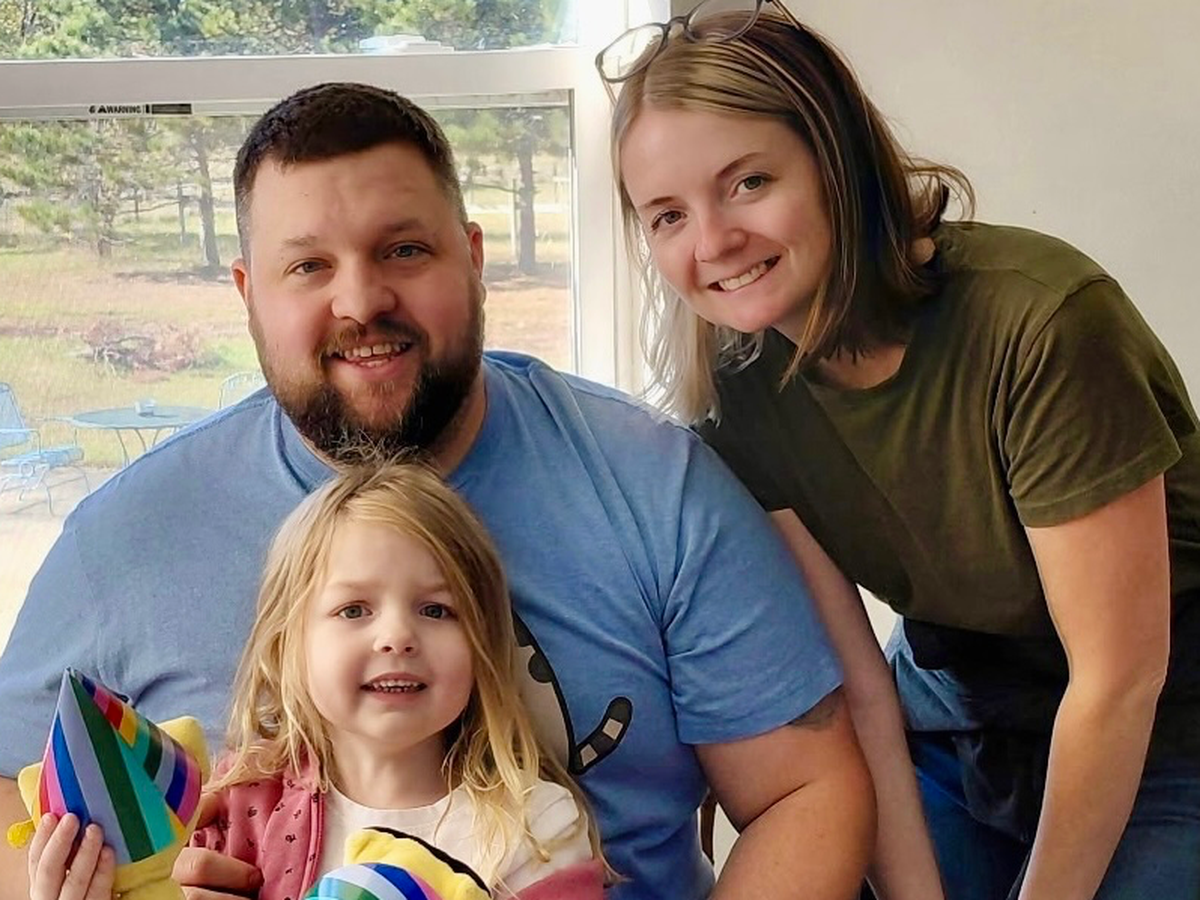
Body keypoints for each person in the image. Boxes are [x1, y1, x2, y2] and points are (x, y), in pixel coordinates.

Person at [0, 82, 876, 900]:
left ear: (473, 257)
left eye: (405, 250)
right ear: (248, 293)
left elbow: (806, 789)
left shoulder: (656, 484)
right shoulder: (125, 535)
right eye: (308, 267)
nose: (360, 300)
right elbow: (10, 800)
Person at [605, 1, 1200, 899]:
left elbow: (1119, 678)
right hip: (953, 717)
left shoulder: (1043, 323)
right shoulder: (737, 396)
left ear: (835, 159)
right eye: (666, 216)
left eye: (749, 182)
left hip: (1164, 725)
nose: (714, 241)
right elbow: (860, 687)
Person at [26, 462, 606, 900]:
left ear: (483, 645)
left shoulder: (536, 826)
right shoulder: (232, 806)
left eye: (436, 610)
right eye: (354, 610)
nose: (397, 636)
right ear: (287, 649)